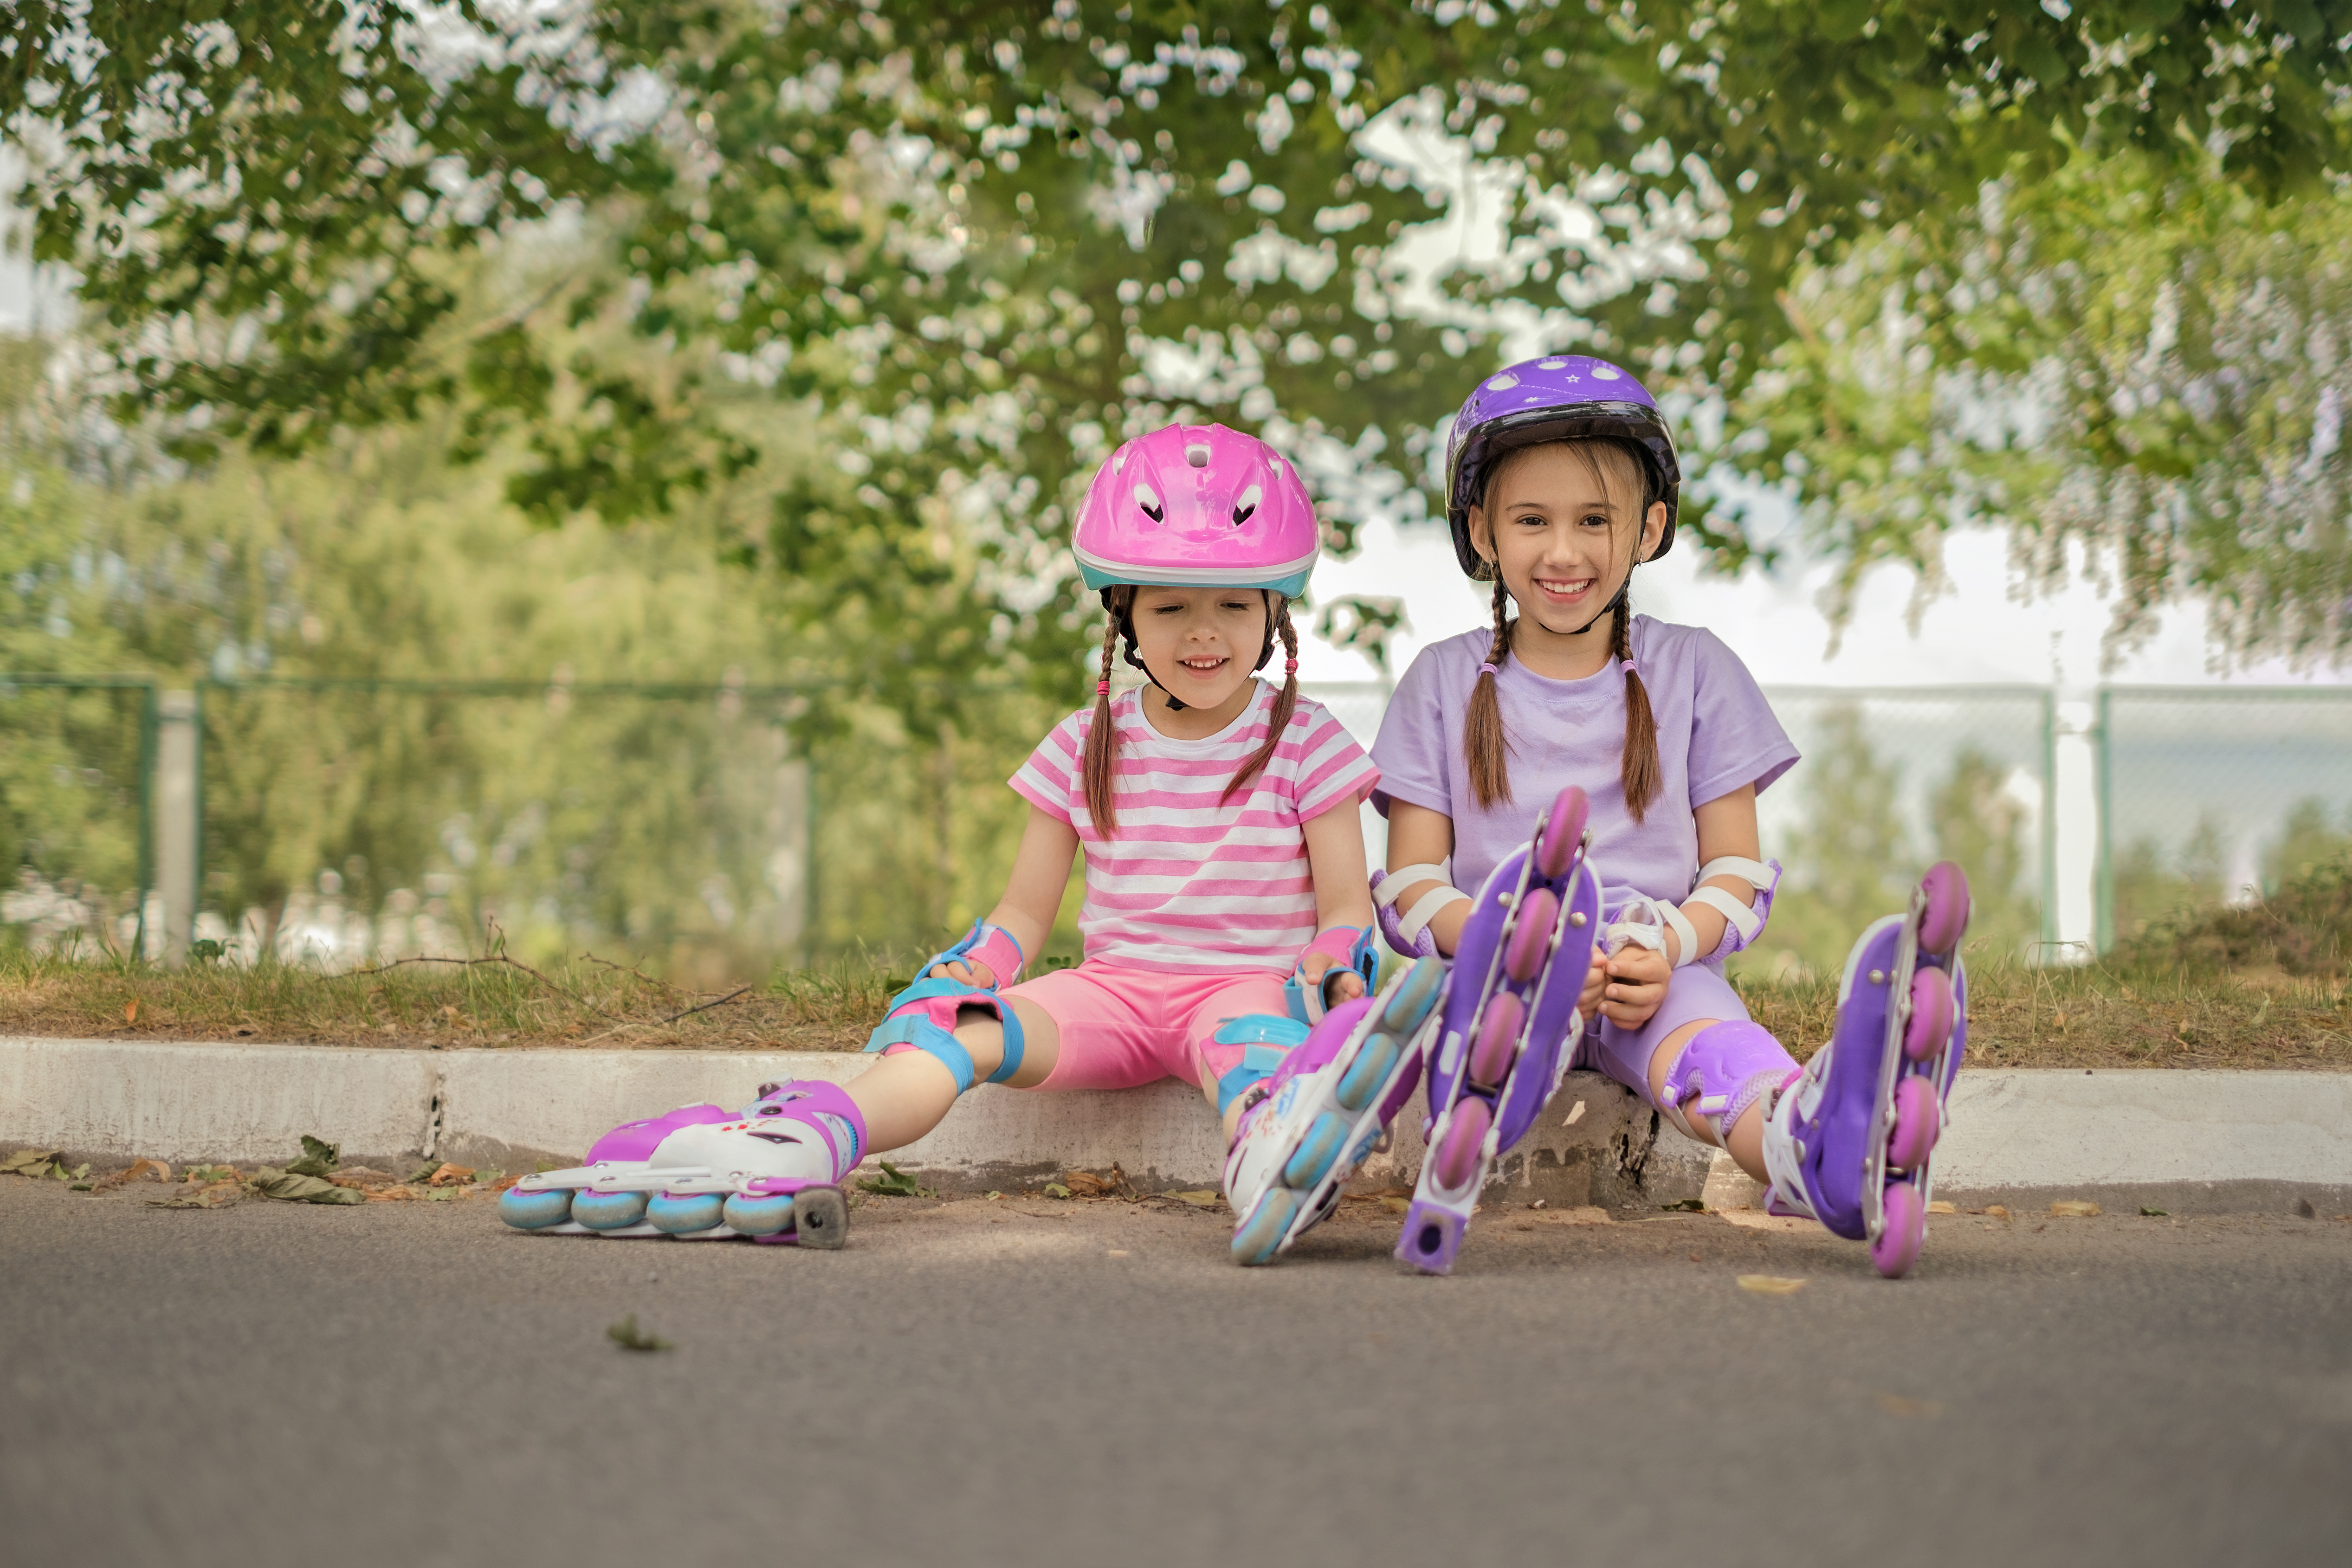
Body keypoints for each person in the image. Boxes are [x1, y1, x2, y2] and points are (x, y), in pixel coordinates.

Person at [502, 424, 1447, 1265]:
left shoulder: (1306, 739)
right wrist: (964, 969)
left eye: (1233, 608)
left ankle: (1278, 1145)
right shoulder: (1085, 743)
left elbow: (1340, 908)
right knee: (962, 1033)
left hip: (1241, 986)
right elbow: (1024, 912)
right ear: (1121, 616)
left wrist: (1335, 969)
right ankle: (809, 1135)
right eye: (1169, 609)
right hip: (1112, 995)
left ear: (1273, 614)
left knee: (1253, 1046)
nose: (1204, 634)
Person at [1368, 355, 1970, 1278]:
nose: (1561, 552)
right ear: (1480, 530)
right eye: (1531, 520)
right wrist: (1521, 944)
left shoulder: (1694, 669)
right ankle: (1478, 1087)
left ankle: (1815, 1143)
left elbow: (1735, 872)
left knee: (1716, 1066)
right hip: (1503, 971)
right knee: (1487, 1012)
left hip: (1653, 969)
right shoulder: (1441, 682)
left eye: (1593, 520)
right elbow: (1410, 884)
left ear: (1648, 527)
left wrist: (1667, 943)